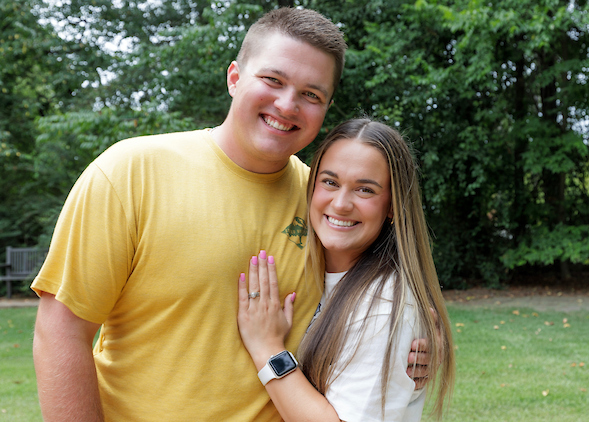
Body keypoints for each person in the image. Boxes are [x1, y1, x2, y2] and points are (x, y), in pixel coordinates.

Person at [31, 8, 431, 422]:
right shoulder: (132, 172)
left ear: (326, 107)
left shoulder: (325, 202)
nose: (288, 104)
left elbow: (377, 291)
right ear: (234, 78)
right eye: (272, 80)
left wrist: (417, 338)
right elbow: (60, 332)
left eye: (311, 94)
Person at [237, 118, 455, 421]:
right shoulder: (309, 271)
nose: (340, 204)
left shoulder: (385, 307)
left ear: (392, 206)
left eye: (365, 190)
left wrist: (268, 350)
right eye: (330, 182)